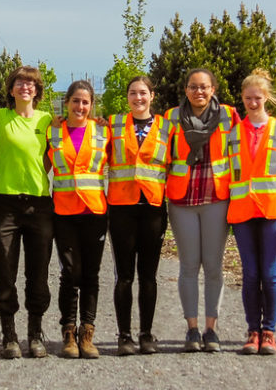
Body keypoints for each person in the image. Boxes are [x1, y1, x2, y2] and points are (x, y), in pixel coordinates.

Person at [227, 69, 276, 356]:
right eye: (247, 98)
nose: (252, 102)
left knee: (270, 275)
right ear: (242, 99)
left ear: (266, 97)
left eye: (257, 97)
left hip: (272, 213)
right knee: (250, 274)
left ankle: (269, 331)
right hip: (243, 212)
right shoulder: (233, 133)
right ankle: (252, 331)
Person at [165, 68, 239, 353]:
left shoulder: (229, 116)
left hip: (216, 198)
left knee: (213, 266)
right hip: (182, 200)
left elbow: (244, 140)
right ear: (185, 90)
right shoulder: (171, 118)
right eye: (193, 87)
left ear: (213, 89)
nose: (199, 92)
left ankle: (212, 329)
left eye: (204, 87)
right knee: (188, 265)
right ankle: (192, 329)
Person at [0, 65, 54, 359]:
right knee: (4, 273)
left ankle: (35, 333)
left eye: (31, 83)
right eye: (19, 83)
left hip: (39, 205)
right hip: (4, 206)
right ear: (11, 89)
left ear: (37, 91)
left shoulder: (47, 119)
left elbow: (52, 155)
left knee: (38, 275)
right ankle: (9, 335)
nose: (25, 87)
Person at [107, 76, 170, 356]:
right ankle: (124, 336)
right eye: (133, 93)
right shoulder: (113, 125)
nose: (138, 98)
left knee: (148, 276)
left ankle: (146, 334)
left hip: (153, 208)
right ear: (127, 97)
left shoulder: (168, 128)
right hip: (122, 208)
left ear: (152, 96)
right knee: (124, 276)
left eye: (143, 93)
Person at [47, 80, 109, 359]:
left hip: (94, 212)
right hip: (64, 212)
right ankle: (68, 333)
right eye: (75, 101)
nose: (80, 106)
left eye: (85, 102)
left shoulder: (104, 131)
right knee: (70, 274)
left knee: (91, 275)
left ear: (91, 105)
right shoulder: (53, 130)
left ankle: (88, 333)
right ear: (67, 102)